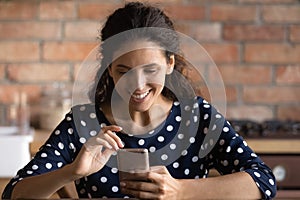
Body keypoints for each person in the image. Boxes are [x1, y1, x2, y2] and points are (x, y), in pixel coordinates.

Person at [2, 2, 276, 199]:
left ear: (169, 63)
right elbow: (14, 193)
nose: (138, 85)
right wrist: (71, 172)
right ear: (109, 68)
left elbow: (263, 182)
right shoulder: (82, 123)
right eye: (124, 71)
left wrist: (179, 191)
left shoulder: (199, 118)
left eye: (150, 70)